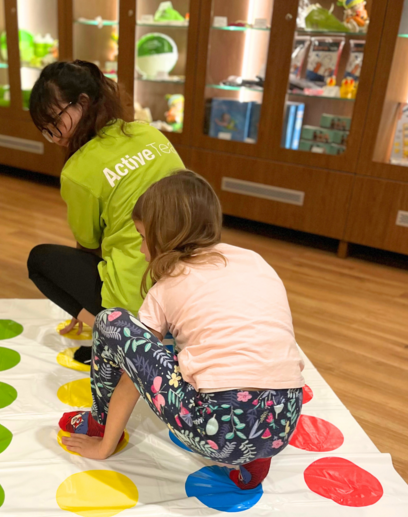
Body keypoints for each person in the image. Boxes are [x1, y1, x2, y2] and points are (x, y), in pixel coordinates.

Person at [60, 170, 305, 490]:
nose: (140, 250)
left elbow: (130, 374)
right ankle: (255, 459)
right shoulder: (255, 261)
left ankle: (99, 425)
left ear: (163, 236)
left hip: (218, 434)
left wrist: (106, 446)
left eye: (143, 237)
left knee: (111, 322)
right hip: (285, 422)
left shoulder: (167, 285)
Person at [27, 60, 184, 364]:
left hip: (134, 296)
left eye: (56, 122)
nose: (55, 137)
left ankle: (110, 333)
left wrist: (79, 303)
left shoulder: (77, 171)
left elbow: (88, 245)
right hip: (187, 285)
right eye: (46, 131)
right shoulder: (148, 133)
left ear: (83, 103)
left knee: (39, 261)